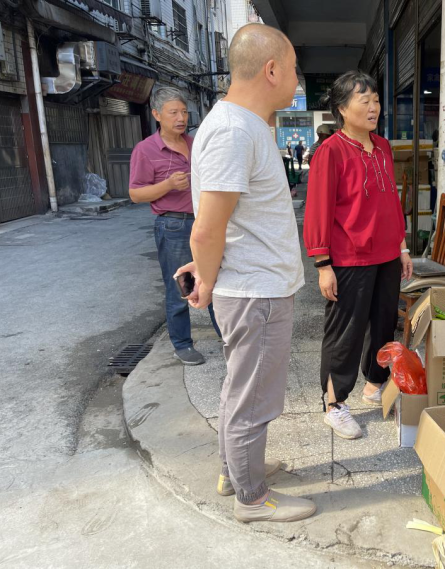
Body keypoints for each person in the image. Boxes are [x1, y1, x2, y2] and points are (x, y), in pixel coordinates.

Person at [177, 23, 315, 523]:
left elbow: (224, 222)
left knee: (244, 390)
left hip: (259, 285)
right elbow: (206, 229)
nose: (297, 80)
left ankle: (233, 472)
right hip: (255, 291)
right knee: (253, 398)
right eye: (294, 69)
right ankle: (251, 497)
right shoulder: (235, 130)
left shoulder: (245, 125)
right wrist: (207, 278)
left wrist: (208, 268)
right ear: (271, 70)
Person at [304, 71, 412, 440]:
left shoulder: (382, 146)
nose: (373, 107)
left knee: (383, 323)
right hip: (349, 258)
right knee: (345, 333)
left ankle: (374, 384)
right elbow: (318, 210)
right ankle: (334, 405)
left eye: (376, 100)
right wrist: (323, 264)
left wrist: (401, 246)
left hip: (386, 255)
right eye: (364, 101)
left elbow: (391, 201)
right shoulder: (330, 151)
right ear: (341, 108)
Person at [128, 87, 221, 366]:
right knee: (182, 285)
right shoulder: (146, 150)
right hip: (173, 224)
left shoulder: (196, 143)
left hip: (206, 221)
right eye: (173, 113)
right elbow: (135, 194)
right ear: (157, 114)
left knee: (215, 281)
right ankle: (182, 344)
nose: (181, 118)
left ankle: (227, 336)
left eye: (183, 112)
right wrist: (167, 184)